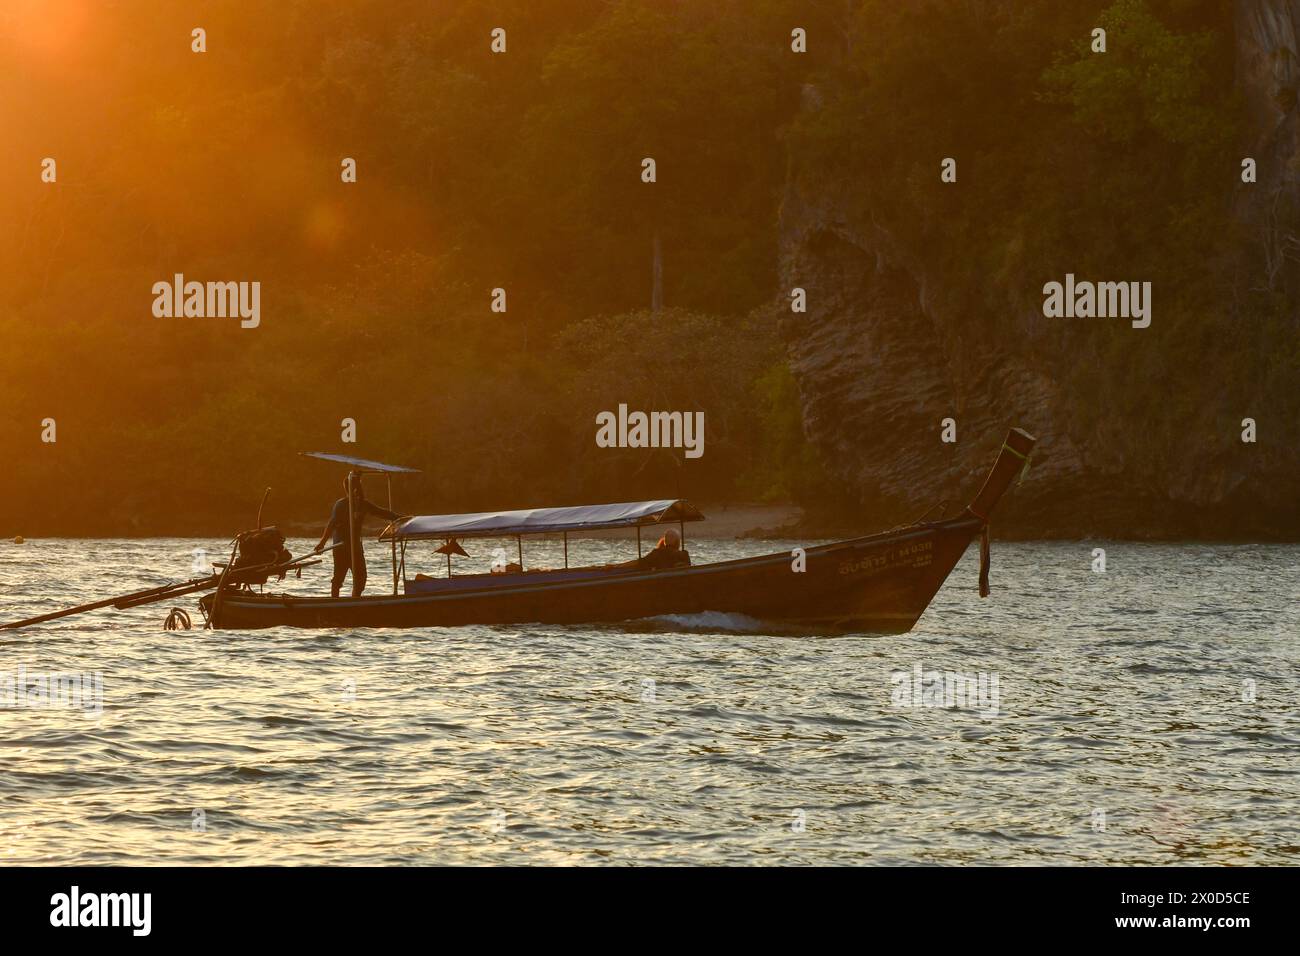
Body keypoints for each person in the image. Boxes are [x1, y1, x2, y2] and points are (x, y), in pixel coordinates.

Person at [312, 473, 399, 598]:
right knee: (338, 578)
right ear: (351, 488)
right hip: (341, 546)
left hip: (356, 547)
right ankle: (334, 602)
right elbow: (332, 524)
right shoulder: (341, 504)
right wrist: (322, 543)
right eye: (357, 486)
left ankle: (355, 599)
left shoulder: (363, 504)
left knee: (361, 578)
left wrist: (400, 518)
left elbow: (381, 512)